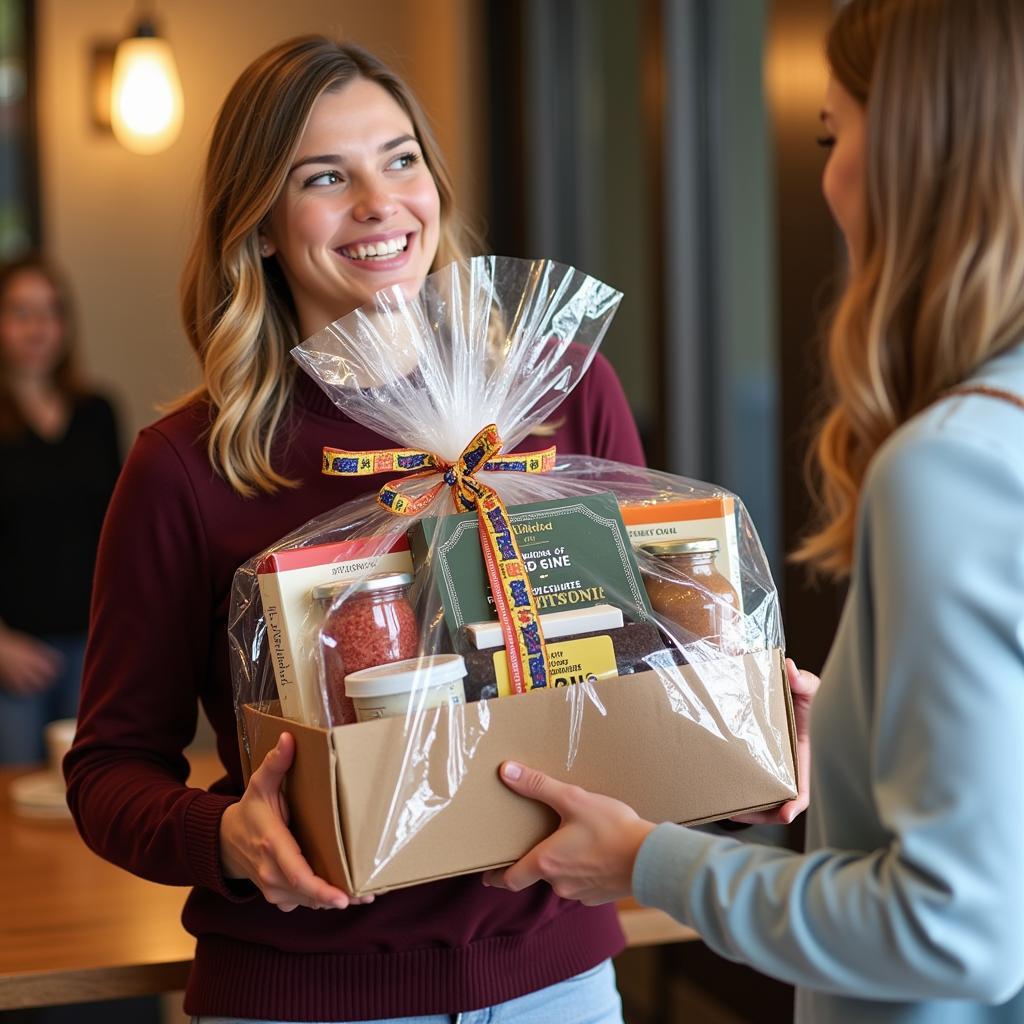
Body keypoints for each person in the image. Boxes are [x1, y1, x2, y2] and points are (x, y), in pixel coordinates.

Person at [64, 37, 649, 1024]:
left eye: (400, 158)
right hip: (303, 996)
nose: (380, 202)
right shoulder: (187, 465)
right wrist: (228, 839)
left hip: (559, 983)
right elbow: (107, 770)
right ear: (255, 228)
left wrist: (750, 728)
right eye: (325, 177)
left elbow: (646, 671)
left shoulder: (558, 397)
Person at [486, 0, 1024, 1020]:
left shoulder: (946, 471)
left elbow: (953, 931)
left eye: (833, 132)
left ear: (911, 155)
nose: (826, 177)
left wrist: (649, 858)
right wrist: (872, 725)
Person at [0, 256, 120, 765]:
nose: (37, 327)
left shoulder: (97, 412)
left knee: (90, 791)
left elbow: (118, 529)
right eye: (20, 312)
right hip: (13, 653)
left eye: (50, 312)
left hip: (93, 644)